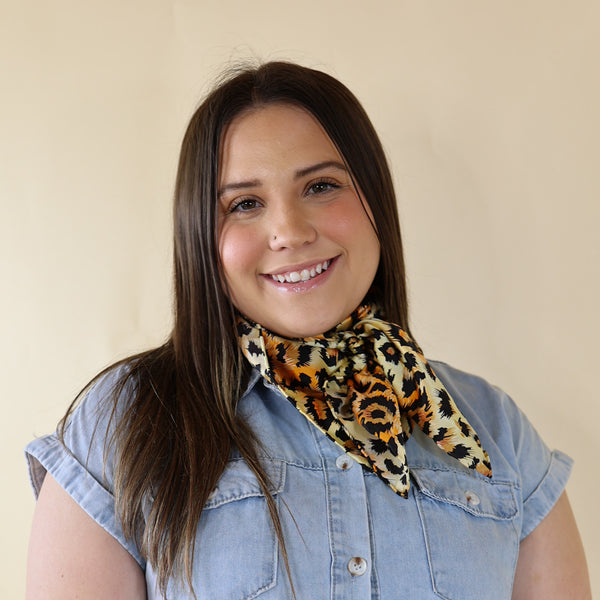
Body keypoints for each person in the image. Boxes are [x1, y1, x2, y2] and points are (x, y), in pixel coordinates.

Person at [25, 61, 590, 599]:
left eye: (321, 186)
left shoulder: (497, 433)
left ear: (375, 202)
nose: (289, 231)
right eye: (244, 203)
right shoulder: (126, 425)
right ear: (200, 237)